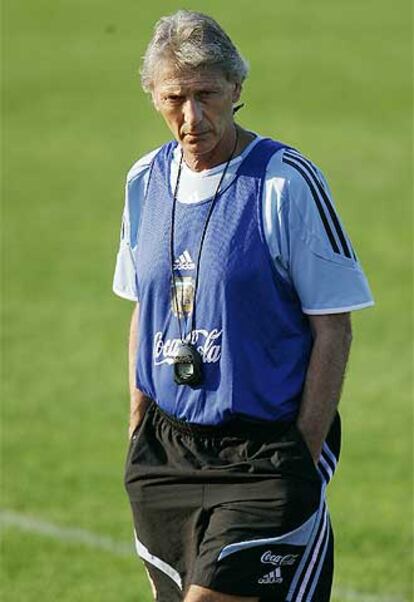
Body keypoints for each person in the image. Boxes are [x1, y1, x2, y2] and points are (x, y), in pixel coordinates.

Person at [113, 10, 374, 602]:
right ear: (153, 94)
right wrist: (137, 420)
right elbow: (142, 305)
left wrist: (301, 452)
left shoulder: (285, 182)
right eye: (175, 97)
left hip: (263, 450)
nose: (192, 117)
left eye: (207, 95)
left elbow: (333, 324)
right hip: (166, 450)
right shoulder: (143, 182)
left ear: (237, 89)